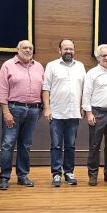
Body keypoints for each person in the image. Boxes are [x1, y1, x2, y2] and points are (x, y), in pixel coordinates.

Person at [0, 40, 44, 190]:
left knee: (26, 144)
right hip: (14, 109)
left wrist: (41, 108)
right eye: (25, 48)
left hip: (34, 110)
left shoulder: (39, 66)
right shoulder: (8, 65)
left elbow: (43, 88)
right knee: (8, 143)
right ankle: (4, 177)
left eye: (30, 48)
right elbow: (2, 90)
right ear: (18, 49)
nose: (28, 50)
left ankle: (23, 176)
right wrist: (5, 112)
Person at [43, 39, 86, 187]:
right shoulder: (52, 66)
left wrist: (83, 106)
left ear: (74, 50)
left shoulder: (80, 66)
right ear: (59, 50)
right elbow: (46, 88)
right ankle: (56, 174)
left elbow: (85, 88)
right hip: (56, 113)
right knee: (56, 145)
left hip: (74, 113)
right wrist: (47, 108)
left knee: (70, 145)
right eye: (65, 49)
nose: (68, 51)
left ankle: (69, 173)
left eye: (71, 49)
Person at [82, 44, 107, 186]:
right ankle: (93, 175)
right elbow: (86, 93)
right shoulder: (92, 73)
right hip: (97, 112)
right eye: (103, 55)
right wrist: (89, 113)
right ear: (98, 58)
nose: (106, 57)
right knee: (94, 145)